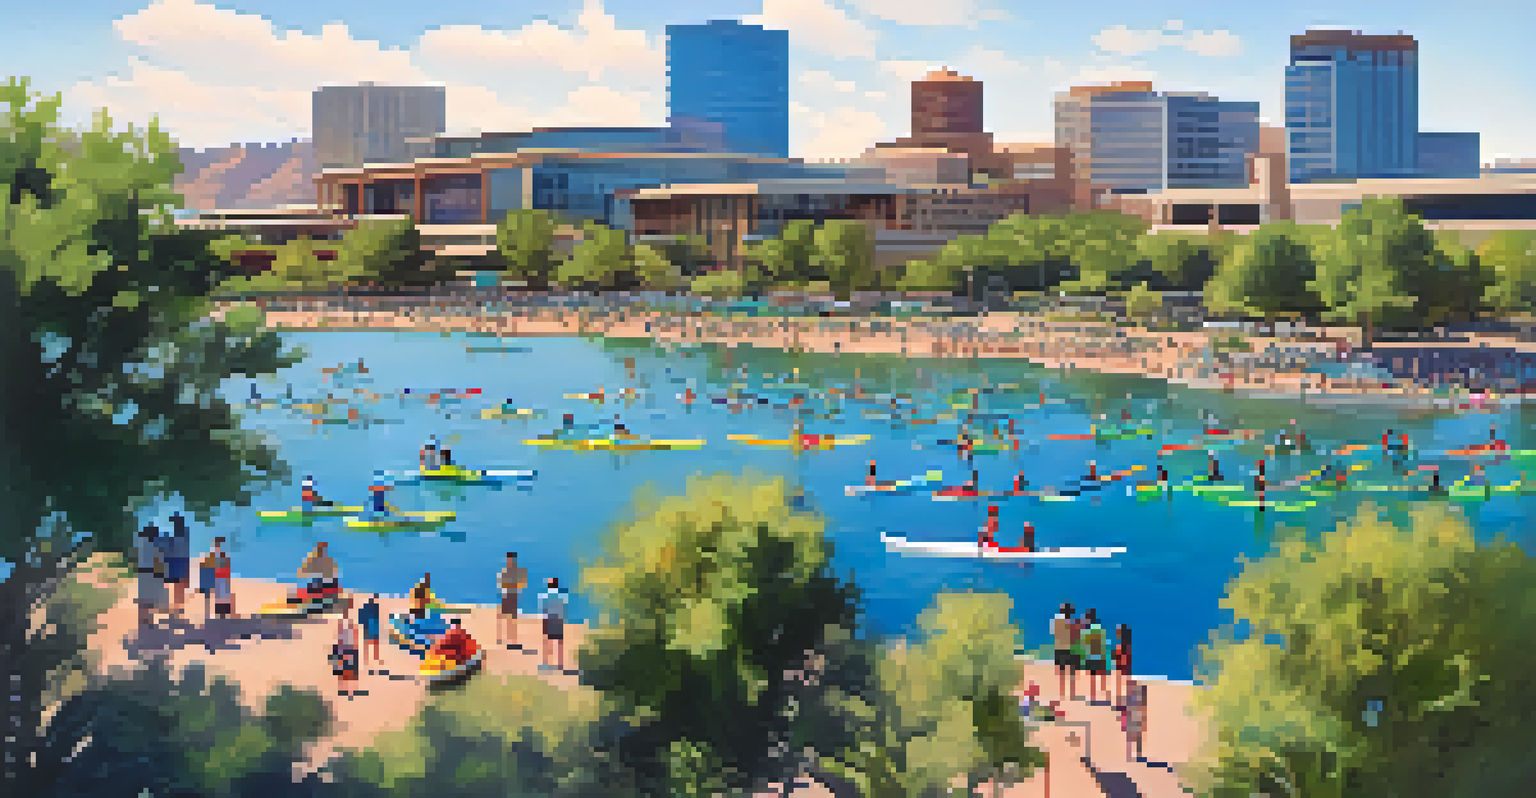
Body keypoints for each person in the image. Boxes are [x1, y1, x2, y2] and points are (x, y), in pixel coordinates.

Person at [136, 523, 167, 629]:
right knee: (150, 598)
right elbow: (158, 560)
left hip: (142, 572)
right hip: (151, 572)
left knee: (143, 597)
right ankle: (149, 620)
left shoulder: (141, 544)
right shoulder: (155, 546)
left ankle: (142, 619)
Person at [539, 577, 571, 672]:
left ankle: (546, 662)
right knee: (559, 642)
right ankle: (560, 663)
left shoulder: (544, 596)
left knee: (547, 641)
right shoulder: (562, 597)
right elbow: (564, 608)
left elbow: (544, 610)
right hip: (558, 619)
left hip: (549, 619)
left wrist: (544, 620)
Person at [498, 552, 528, 648]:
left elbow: (523, 584)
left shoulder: (518, 572)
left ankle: (512, 639)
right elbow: (501, 584)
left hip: (513, 595)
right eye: (508, 560)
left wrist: (513, 585)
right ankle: (503, 638)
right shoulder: (505, 571)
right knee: (505, 618)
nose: (509, 561)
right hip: (506, 595)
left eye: (510, 560)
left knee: (513, 618)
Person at [164, 513, 191, 616]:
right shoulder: (183, 534)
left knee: (178, 585)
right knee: (180, 585)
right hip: (180, 561)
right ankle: (179, 606)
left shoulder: (179, 535)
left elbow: (172, 549)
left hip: (177, 561)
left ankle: (178, 606)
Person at [1081, 609, 1109, 704]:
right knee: (1101, 676)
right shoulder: (1099, 629)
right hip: (1100, 655)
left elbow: (1085, 645)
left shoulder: (1086, 631)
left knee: (1093, 678)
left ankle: (1093, 696)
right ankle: (1103, 693)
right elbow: (1103, 643)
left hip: (1091, 656)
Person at [1051, 603, 1079, 701]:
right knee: (1071, 672)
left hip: (1058, 648)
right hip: (1068, 648)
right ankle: (1072, 693)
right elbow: (1074, 636)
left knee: (1062, 672)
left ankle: (1062, 693)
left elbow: (1052, 632)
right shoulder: (1070, 622)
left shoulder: (1056, 620)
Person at [332, 607, 360, 698]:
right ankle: (348, 690)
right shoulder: (349, 625)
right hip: (348, 648)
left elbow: (340, 638)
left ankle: (345, 689)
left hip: (346, 648)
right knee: (348, 672)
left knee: (345, 671)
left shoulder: (345, 625)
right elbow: (343, 638)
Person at [1122, 680, 1149, 762]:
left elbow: (1143, 705)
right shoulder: (1128, 690)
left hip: (1136, 714)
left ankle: (1137, 753)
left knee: (1137, 734)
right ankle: (1130, 753)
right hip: (1131, 714)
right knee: (1131, 733)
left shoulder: (1141, 690)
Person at [358, 593, 382, 673]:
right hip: (371, 627)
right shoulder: (375, 607)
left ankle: (369, 659)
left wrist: (362, 622)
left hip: (370, 627)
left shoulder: (373, 606)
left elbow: (361, 615)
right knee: (372, 644)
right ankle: (371, 659)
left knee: (370, 644)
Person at [1113, 624, 1133, 708]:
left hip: (1121, 668)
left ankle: (1121, 703)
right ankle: (1123, 701)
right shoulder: (1128, 647)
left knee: (1121, 685)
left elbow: (1121, 658)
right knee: (1124, 684)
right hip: (1125, 668)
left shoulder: (1121, 647)